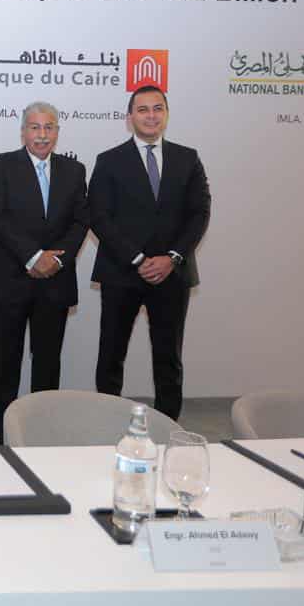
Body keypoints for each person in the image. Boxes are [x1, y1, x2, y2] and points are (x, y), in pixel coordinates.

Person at [90, 85, 211, 421]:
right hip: (122, 273)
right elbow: (99, 216)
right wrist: (138, 259)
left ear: (166, 114)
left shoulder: (188, 158)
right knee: (111, 355)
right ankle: (104, 425)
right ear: (129, 117)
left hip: (173, 274)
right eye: (143, 109)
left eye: (158, 108)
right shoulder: (109, 160)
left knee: (168, 357)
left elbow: (200, 213)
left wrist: (172, 257)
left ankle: (168, 426)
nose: (151, 115)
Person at [0, 101, 89, 444]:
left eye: (48, 127)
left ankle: (42, 427)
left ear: (57, 131)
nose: (42, 135)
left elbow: (80, 222)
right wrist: (32, 257)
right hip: (10, 280)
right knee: (5, 359)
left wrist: (56, 260)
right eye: (35, 127)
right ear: (23, 132)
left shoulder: (75, 170)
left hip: (55, 282)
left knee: (47, 360)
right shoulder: (0, 166)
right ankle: (1, 427)